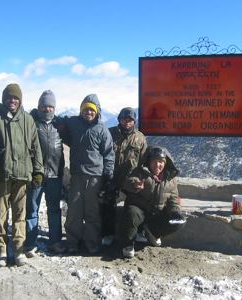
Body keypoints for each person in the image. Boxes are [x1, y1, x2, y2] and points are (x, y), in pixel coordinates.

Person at [0, 83, 43, 267]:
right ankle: (1, 251)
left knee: (20, 215)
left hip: (22, 176)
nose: (12, 101)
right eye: (9, 97)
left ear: (20, 100)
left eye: (16, 98)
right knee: (0, 215)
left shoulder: (28, 120)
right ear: (4, 99)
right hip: (0, 175)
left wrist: (38, 170)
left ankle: (18, 250)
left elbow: (35, 147)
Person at [58, 94, 115, 254]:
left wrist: (108, 175)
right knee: (74, 212)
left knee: (92, 213)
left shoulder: (102, 129)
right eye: (86, 109)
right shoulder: (74, 123)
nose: (88, 112)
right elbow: (59, 121)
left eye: (92, 110)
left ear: (97, 112)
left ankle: (91, 243)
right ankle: (72, 243)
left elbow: (109, 154)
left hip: (95, 177)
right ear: (81, 110)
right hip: (77, 176)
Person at [119, 145, 186, 258]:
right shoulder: (140, 171)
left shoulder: (170, 179)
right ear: (149, 162)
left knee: (179, 221)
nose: (157, 165)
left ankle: (152, 233)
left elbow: (173, 199)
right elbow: (128, 182)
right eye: (154, 161)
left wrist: (175, 211)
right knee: (131, 213)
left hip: (156, 213)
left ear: (165, 163)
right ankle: (128, 245)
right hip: (139, 210)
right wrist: (135, 185)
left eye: (161, 162)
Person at [25, 90, 65, 256]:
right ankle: (30, 243)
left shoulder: (60, 125)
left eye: (50, 106)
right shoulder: (31, 123)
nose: (47, 109)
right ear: (39, 106)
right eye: (44, 106)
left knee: (54, 210)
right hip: (36, 175)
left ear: (54, 108)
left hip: (55, 174)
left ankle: (55, 242)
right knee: (32, 209)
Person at [101, 107, 147, 246]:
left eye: (130, 120)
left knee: (138, 202)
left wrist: (142, 179)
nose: (127, 122)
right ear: (119, 119)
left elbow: (144, 161)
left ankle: (139, 232)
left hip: (131, 179)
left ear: (134, 121)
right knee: (106, 202)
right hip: (112, 178)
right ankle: (108, 233)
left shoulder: (140, 137)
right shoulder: (109, 134)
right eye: (124, 119)